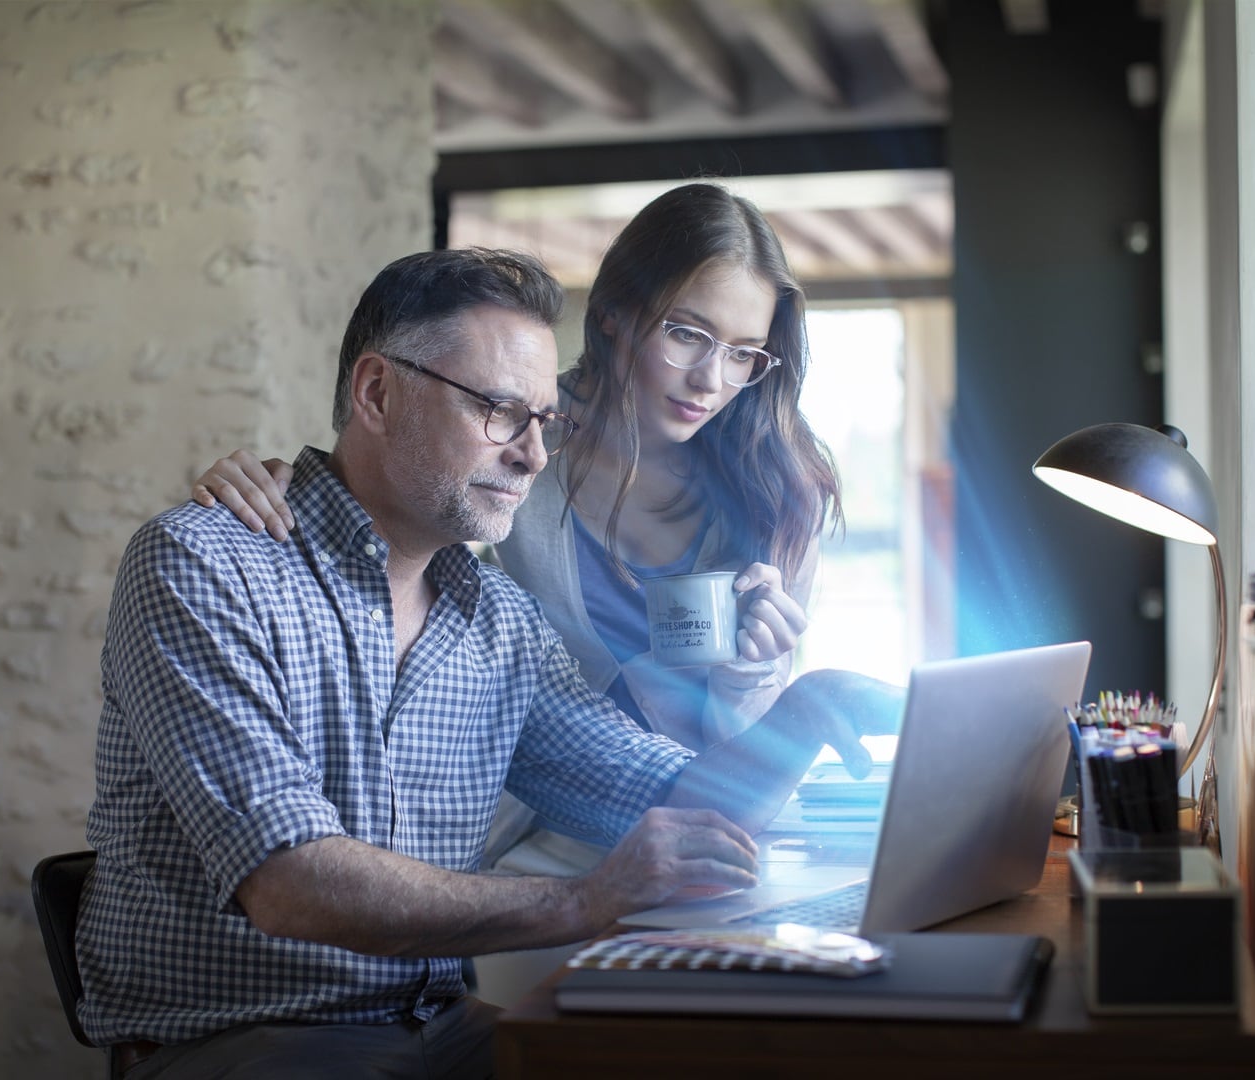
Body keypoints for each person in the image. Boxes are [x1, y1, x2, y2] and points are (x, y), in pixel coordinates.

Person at [79, 246, 895, 1078]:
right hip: (246, 1039)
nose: (533, 457)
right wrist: (587, 899)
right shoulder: (206, 562)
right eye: (500, 411)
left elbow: (675, 806)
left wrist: (804, 714)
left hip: (441, 1025)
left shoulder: (496, 619)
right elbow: (291, 884)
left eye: (543, 420)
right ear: (376, 393)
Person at [193, 183, 847, 873]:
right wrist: (285, 487)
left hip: (698, 817)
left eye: (745, 352)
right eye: (686, 333)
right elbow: (392, 502)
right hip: (518, 846)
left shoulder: (781, 492)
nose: (711, 380)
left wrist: (756, 678)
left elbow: (726, 770)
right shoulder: (514, 434)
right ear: (619, 316)